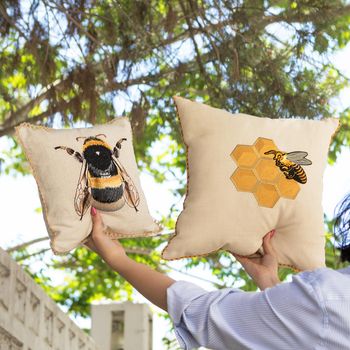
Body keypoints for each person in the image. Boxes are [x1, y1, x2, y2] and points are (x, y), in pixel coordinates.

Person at [85, 195, 350, 350]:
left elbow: (200, 314)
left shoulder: (328, 297)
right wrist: (271, 284)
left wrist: (119, 259)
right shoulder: (328, 302)